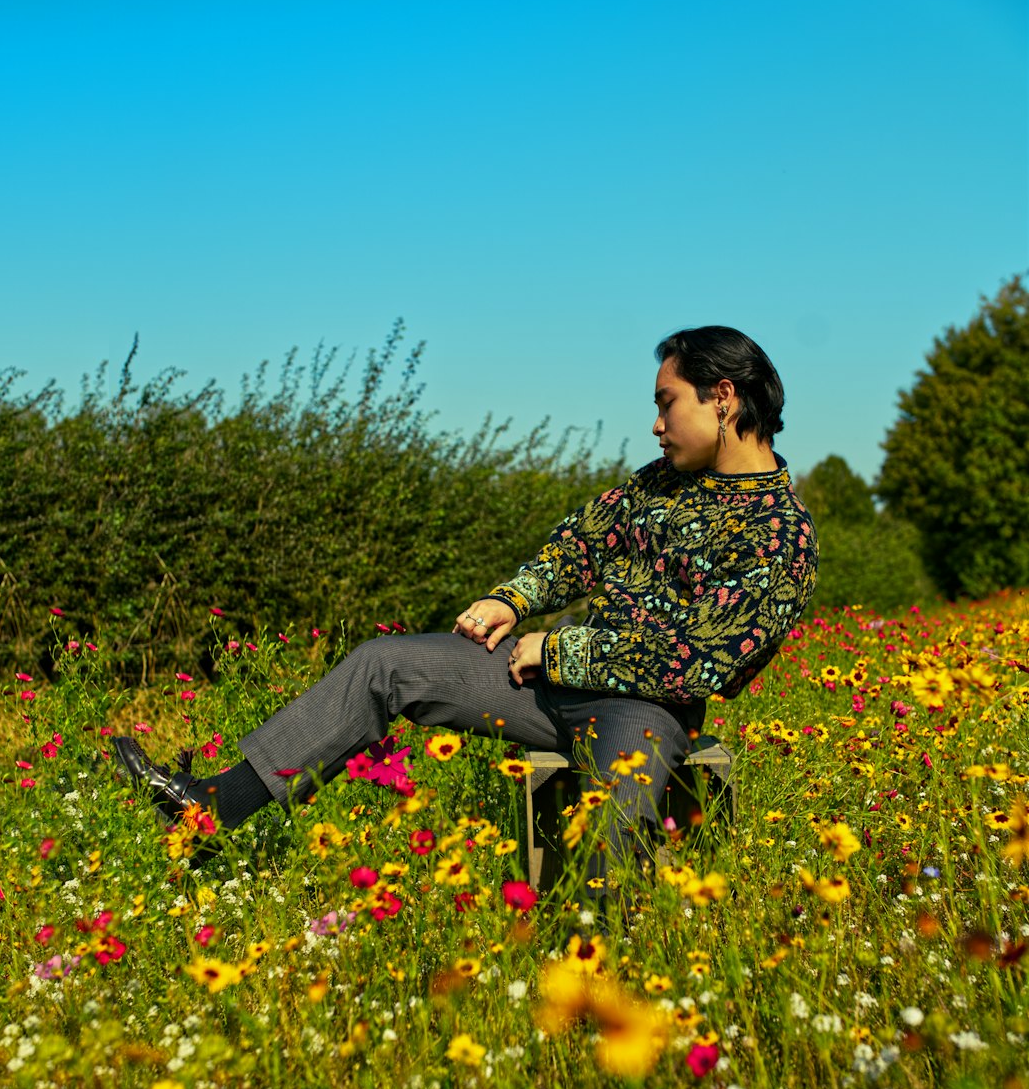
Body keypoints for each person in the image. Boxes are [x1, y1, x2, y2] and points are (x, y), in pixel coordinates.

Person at [113, 325, 818, 872]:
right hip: (550, 682)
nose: (657, 424)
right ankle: (213, 807)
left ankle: (600, 990)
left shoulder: (780, 531)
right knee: (383, 664)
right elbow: (579, 546)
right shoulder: (655, 484)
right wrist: (513, 599)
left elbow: (705, 661)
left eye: (667, 403)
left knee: (608, 836)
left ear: (721, 396)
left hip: (647, 709)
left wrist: (559, 649)